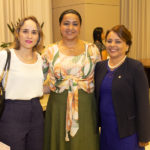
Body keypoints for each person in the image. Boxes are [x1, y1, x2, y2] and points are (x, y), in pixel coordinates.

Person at [42, 9, 100, 150]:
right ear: (60, 26)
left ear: (80, 27)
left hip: (86, 104)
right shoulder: (50, 51)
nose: (70, 28)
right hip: (58, 105)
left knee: (85, 142)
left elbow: (100, 79)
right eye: (66, 23)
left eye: (75, 24)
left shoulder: (92, 50)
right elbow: (38, 80)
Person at [94, 24, 150, 150]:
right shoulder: (100, 67)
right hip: (106, 131)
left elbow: (143, 104)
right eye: (109, 41)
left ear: (127, 46)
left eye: (118, 41)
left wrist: (144, 136)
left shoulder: (135, 68)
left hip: (128, 133)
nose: (112, 45)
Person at [0, 16, 44, 150]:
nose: (29, 36)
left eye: (34, 32)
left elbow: (37, 87)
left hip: (36, 111)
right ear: (18, 33)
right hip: (12, 113)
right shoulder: (6, 55)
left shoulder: (40, 59)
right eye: (25, 31)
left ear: (38, 37)